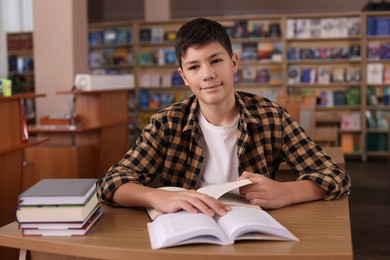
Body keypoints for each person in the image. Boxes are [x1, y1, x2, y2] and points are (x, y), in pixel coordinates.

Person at [97, 17, 351, 217]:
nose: (207, 74)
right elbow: (111, 183)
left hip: (251, 228)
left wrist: (286, 192)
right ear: (184, 77)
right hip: (189, 231)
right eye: (194, 67)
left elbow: (335, 176)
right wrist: (157, 196)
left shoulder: (271, 116)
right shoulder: (166, 123)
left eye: (216, 60)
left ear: (234, 62)